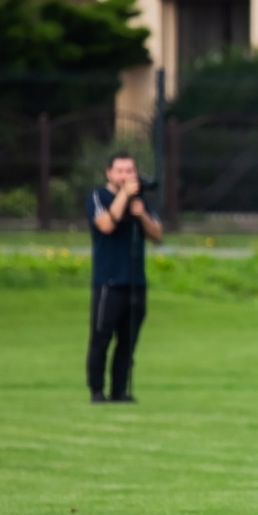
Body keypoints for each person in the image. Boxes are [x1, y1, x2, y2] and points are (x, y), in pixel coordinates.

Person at [87, 151, 162, 403]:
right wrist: (123, 196)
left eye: (130, 171)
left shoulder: (140, 201)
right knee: (101, 337)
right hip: (108, 281)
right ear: (109, 173)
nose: (126, 176)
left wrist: (141, 214)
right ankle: (97, 390)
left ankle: (120, 390)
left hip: (135, 281)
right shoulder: (99, 197)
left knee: (128, 340)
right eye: (120, 171)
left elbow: (157, 235)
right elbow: (106, 224)